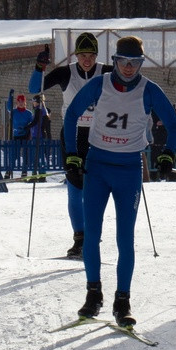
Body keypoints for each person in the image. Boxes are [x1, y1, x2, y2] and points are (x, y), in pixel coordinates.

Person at [63, 36, 176, 328]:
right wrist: (72, 156)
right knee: (92, 235)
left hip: (128, 169)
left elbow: (175, 125)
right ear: (114, 61)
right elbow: (71, 115)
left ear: (141, 64)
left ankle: (122, 301)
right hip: (98, 167)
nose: (129, 68)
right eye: (124, 62)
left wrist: (168, 154)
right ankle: (93, 294)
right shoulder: (99, 84)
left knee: (124, 238)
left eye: (135, 63)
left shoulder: (149, 90)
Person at [29, 32, 113, 258]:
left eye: (91, 55)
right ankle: (80, 239)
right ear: (76, 55)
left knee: (94, 190)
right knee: (75, 189)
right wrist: (39, 67)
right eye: (83, 55)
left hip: (99, 136)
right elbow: (34, 89)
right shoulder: (66, 72)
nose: (87, 60)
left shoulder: (106, 71)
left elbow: (128, 86)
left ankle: (92, 237)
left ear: (97, 55)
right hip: (73, 135)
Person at [6, 91, 34, 177]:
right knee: (14, 154)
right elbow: (8, 107)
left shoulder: (28, 113)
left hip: (25, 136)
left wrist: (27, 128)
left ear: (25, 103)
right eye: (19, 101)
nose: (21, 103)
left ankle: (24, 172)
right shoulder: (14, 112)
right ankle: (9, 171)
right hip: (16, 135)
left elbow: (32, 124)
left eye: (22, 102)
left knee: (25, 155)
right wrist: (10, 97)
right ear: (17, 102)